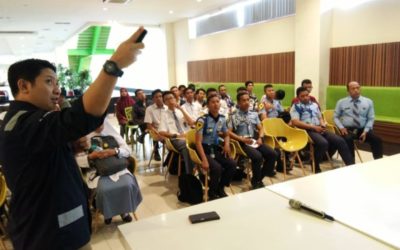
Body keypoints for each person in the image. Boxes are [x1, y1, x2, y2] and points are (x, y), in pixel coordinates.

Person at [0, 27, 145, 249]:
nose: (57, 90)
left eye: (57, 83)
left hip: (59, 230)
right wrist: (113, 66)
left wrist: (69, 147)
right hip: (50, 236)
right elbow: (81, 118)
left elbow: (39, 159)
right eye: (49, 82)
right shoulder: (21, 123)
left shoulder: (29, 120)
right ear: (23, 85)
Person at [77, 120, 142, 225]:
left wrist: (114, 151)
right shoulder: (83, 136)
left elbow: (127, 150)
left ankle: (124, 211)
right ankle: (108, 213)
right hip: (98, 172)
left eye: (102, 122)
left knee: (128, 185)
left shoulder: (110, 130)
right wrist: (91, 157)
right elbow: (77, 160)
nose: (100, 126)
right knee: (105, 190)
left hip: (117, 167)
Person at [291, 87, 354, 173]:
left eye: (307, 95)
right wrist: (314, 127)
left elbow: (320, 117)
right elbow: (295, 122)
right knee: (323, 143)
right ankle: (315, 166)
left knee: (340, 140)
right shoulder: (296, 107)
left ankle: (350, 166)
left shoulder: (314, 105)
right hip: (307, 130)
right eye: (302, 96)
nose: (306, 97)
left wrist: (322, 123)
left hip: (319, 128)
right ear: (298, 97)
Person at [228, 92, 277, 189]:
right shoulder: (233, 116)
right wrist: (241, 139)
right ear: (238, 102)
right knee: (257, 157)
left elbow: (261, 128)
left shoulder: (254, 114)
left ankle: (257, 179)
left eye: (248, 100)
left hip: (254, 140)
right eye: (244, 100)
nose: (247, 102)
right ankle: (257, 183)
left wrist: (260, 137)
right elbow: (229, 132)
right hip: (241, 142)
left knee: (273, 154)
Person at [195, 94, 235, 199]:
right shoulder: (202, 120)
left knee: (232, 164)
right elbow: (198, 142)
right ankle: (212, 193)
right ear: (207, 105)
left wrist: (226, 144)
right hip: (204, 149)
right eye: (212, 102)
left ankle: (220, 188)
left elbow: (226, 134)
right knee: (217, 168)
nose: (216, 104)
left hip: (215, 148)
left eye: (217, 102)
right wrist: (204, 160)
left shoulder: (222, 119)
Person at [333, 81, 383, 161]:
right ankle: (351, 163)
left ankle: (378, 162)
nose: (356, 90)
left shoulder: (368, 102)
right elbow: (335, 117)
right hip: (347, 129)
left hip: (363, 130)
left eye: (358, 88)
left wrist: (366, 131)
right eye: (353, 88)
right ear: (348, 91)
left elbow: (371, 118)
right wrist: (341, 128)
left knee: (377, 139)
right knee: (348, 139)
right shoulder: (341, 102)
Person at [158, 91, 195, 174]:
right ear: (164, 103)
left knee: (201, 143)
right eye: (166, 99)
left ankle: (201, 168)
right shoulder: (164, 114)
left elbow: (191, 123)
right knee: (187, 147)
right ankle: (190, 173)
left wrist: (181, 109)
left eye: (171, 98)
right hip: (175, 139)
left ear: (175, 99)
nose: (170, 100)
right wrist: (177, 135)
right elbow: (161, 132)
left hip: (187, 136)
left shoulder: (181, 111)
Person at [144, 89, 167, 161]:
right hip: (156, 130)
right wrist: (157, 133)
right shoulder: (149, 109)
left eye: (160, 96)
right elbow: (149, 125)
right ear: (153, 99)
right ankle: (156, 151)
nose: (159, 98)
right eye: (156, 97)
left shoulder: (167, 107)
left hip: (167, 130)